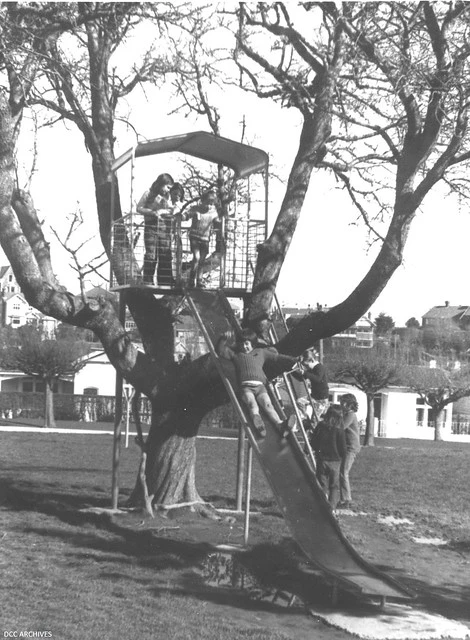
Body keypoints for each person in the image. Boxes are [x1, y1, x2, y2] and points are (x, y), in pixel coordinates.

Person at [219, 328, 297, 439]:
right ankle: (258, 422)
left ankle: (280, 425)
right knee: (251, 403)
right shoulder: (236, 354)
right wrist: (223, 339)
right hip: (246, 387)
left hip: (260, 387)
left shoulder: (261, 352)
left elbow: (277, 357)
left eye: (247, 344)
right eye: (242, 344)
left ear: (253, 344)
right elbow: (222, 351)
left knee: (268, 404)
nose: (244, 347)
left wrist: (293, 360)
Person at [137, 173, 174, 286]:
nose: (168, 190)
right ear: (161, 184)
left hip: (164, 227)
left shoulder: (167, 196)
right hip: (151, 226)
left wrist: (165, 212)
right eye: (167, 187)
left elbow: (171, 209)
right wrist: (152, 213)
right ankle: (148, 280)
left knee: (164, 253)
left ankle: (164, 279)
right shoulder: (148, 193)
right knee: (151, 254)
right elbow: (139, 208)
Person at [309, 404, 346, 510]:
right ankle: (331, 508)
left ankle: (320, 507)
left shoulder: (321, 426)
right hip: (335, 461)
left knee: (321, 485)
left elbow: (313, 442)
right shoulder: (339, 429)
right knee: (334, 486)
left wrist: (317, 450)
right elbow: (343, 447)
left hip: (322, 460)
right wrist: (342, 456)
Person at [186, 190, 220, 288]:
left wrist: (224, 220)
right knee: (196, 257)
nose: (209, 206)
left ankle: (199, 280)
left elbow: (218, 221)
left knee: (201, 260)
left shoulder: (213, 212)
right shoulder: (196, 209)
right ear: (202, 201)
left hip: (205, 239)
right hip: (195, 237)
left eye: (212, 204)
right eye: (208, 203)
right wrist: (182, 216)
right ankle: (191, 280)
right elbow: (187, 215)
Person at [291, 347, 329, 429]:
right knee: (299, 401)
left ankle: (312, 431)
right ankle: (305, 418)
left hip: (321, 399)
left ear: (312, 360)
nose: (306, 367)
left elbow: (317, 379)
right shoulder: (311, 369)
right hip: (313, 396)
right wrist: (293, 371)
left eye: (306, 365)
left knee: (314, 420)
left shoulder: (319, 367)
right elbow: (302, 378)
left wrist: (305, 372)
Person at [338, 393, 361, 509]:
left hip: (351, 447)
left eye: (343, 402)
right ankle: (344, 499)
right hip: (347, 446)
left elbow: (341, 427)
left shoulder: (350, 415)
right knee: (342, 472)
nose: (341, 405)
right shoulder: (346, 414)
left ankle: (346, 499)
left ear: (349, 404)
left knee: (343, 472)